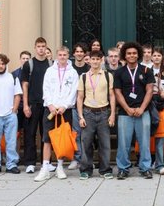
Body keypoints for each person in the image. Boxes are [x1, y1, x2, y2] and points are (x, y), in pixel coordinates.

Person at [34, 46, 79, 182]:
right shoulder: (50, 71)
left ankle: (60, 166)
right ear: (56, 56)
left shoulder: (73, 72)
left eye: (65, 55)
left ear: (68, 56)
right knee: (47, 139)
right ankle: (45, 167)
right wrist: (50, 104)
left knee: (62, 139)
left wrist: (65, 105)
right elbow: (45, 89)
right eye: (60, 55)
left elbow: (74, 91)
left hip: (65, 110)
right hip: (51, 110)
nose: (62, 57)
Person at [113, 41, 155, 179]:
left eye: (134, 53)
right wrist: (127, 108)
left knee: (144, 142)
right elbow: (117, 92)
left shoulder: (146, 71)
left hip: (143, 112)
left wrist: (142, 108)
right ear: (124, 55)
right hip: (125, 113)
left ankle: (145, 168)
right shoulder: (119, 72)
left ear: (138, 55)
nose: (132, 55)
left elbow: (149, 91)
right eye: (129, 53)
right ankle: (123, 168)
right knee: (123, 143)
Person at [77, 50, 116, 180]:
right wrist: (81, 116)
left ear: (101, 60)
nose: (95, 61)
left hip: (104, 112)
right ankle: (86, 170)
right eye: (92, 59)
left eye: (97, 59)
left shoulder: (107, 75)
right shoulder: (83, 76)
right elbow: (80, 97)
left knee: (105, 143)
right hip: (88, 112)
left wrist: (112, 114)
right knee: (86, 143)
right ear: (89, 60)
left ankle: (105, 169)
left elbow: (111, 95)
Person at [20, 37, 53, 173]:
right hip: (33, 104)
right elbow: (25, 85)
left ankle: (47, 162)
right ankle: (30, 162)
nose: (41, 49)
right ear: (35, 47)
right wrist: (25, 105)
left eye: (43, 46)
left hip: (47, 105)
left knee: (47, 134)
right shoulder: (29, 64)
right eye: (39, 46)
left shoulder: (51, 64)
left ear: (46, 48)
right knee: (30, 133)